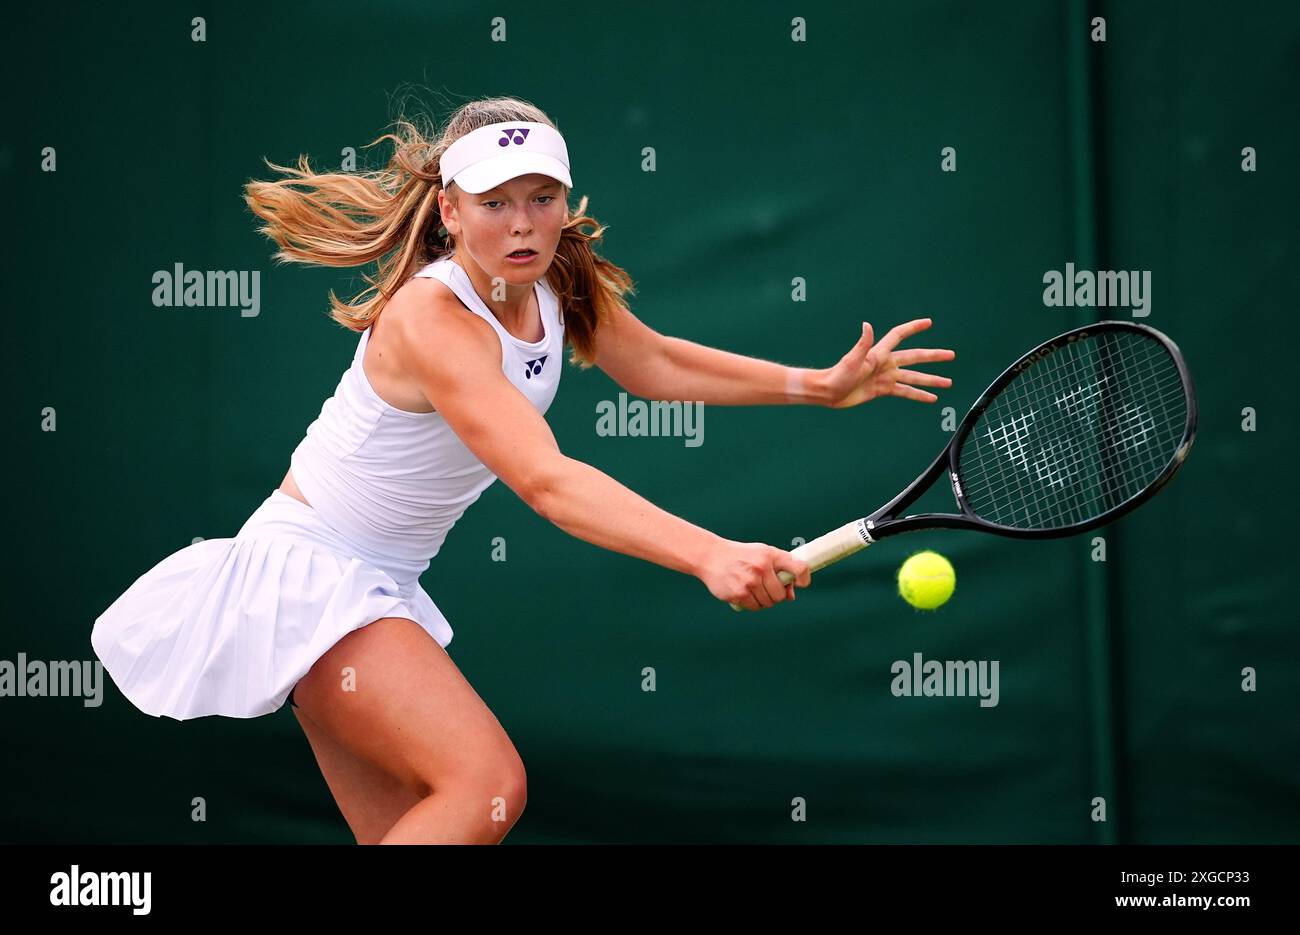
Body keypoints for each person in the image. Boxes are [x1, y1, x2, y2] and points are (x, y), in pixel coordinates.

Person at [90, 96, 955, 844]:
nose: (522, 222)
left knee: (421, 824)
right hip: (313, 574)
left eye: (542, 198)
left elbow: (652, 365)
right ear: (449, 212)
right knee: (485, 783)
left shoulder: (554, 273)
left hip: (376, 585)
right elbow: (545, 481)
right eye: (494, 202)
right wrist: (707, 552)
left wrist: (821, 385)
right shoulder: (434, 319)